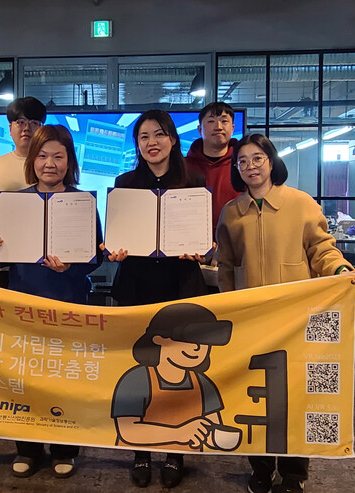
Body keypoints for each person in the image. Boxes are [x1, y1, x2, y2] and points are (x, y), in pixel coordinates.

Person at [215, 133, 355, 493]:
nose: (250, 166)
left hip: (296, 320)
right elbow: (226, 267)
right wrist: (229, 309)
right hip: (252, 321)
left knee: (295, 396)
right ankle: (260, 467)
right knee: (254, 396)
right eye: (242, 161)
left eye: (257, 158)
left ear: (271, 161)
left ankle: (293, 474)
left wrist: (341, 272)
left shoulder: (301, 204)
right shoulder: (231, 213)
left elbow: (322, 250)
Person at [0, 124, 103, 479]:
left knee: (65, 381)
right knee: (26, 381)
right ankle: (27, 449)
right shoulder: (13, 203)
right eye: (42, 156)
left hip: (69, 304)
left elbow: (96, 257)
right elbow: (0, 259)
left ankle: (65, 450)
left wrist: (72, 265)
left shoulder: (83, 202)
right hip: (25, 306)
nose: (50, 164)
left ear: (70, 161)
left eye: (58, 156)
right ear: (32, 161)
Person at [104, 110, 207, 489]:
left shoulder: (194, 182)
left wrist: (203, 248)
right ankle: (141, 452)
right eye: (144, 136)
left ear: (173, 139)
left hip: (180, 285)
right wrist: (113, 250)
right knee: (142, 370)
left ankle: (176, 453)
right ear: (137, 144)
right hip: (138, 288)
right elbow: (115, 238)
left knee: (179, 372)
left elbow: (204, 237)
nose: (152, 142)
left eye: (159, 134)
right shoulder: (125, 184)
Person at [112, 303, 241, 453]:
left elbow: (213, 426)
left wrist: (217, 438)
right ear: (159, 339)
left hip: (184, 451)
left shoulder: (202, 383)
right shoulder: (137, 379)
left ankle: (175, 459)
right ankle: (141, 457)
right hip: (139, 448)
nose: (197, 348)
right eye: (188, 339)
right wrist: (178, 433)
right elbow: (128, 431)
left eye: (204, 341)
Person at [0, 96, 47, 286]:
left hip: (43, 265)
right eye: (20, 122)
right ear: (10, 128)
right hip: (3, 263)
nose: (27, 128)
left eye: (34, 123)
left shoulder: (50, 167)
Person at [185, 101, 240, 234]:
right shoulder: (183, 167)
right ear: (200, 130)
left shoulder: (242, 164)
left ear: (232, 128)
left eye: (224, 121)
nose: (218, 127)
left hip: (237, 240)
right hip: (193, 240)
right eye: (211, 121)